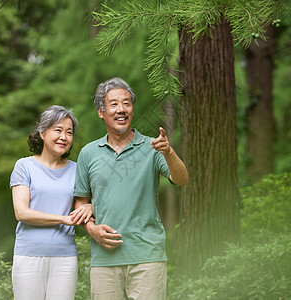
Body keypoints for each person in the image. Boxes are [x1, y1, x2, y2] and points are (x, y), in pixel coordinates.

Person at [74, 78, 188, 300]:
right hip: (104, 259)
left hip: (147, 256)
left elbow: (181, 179)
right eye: (114, 104)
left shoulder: (153, 147)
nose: (121, 109)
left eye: (126, 103)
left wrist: (169, 152)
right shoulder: (88, 153)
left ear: (132, 110)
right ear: (101, 111)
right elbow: (81, 202)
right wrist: (91, 229)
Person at [10, 105, 92, 300]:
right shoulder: (24, 166)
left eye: (69, 132)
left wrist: (90, 206)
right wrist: (63, 219)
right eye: (58, 130)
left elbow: (89, 203)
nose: (64, 137)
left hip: (65, 257)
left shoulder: (77, 170)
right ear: (42, 132)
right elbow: (21, 212)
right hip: (28, 255)